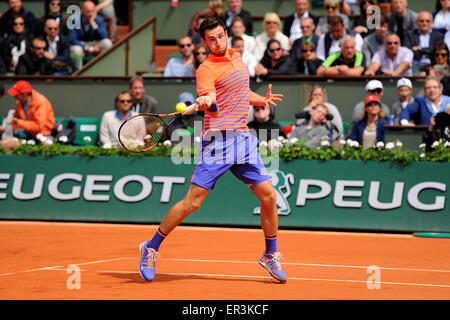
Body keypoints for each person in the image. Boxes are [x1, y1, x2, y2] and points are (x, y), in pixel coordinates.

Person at [138, 17, 287, 284]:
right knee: (192, 203)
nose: (217, 42)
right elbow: (209, 96)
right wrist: (206, 99)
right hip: (218, 142)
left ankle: (270, 254)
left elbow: (240, 91)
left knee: (269, 196)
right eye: (211, 39)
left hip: (242, 139)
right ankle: (151, 246)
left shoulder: (237, 57)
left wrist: (260, 99)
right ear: (204, 42)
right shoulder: (205, 69)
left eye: (220, 36)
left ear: (226, 34)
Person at [68, 0, 113, 68]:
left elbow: (104, 36)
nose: (90, 14)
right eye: (88, 11)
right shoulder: (74, 20)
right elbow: (72, 39)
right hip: (81, 45)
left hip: (95, 44)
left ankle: (103, 69)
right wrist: (88, 48)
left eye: (92, 11)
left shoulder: (99, 19)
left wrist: (93, 23)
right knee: (76, 49)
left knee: (107, 43)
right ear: (83, 11)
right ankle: (79, 74)